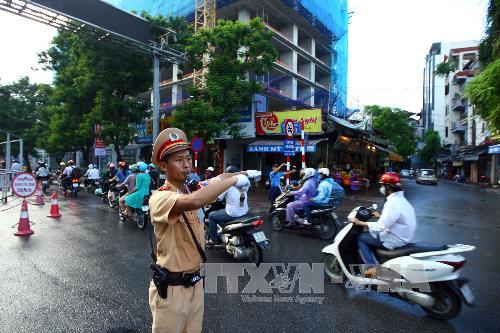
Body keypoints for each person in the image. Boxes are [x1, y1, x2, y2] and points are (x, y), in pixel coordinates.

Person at [148, 128, 251, 333]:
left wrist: (242, 174)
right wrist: (233, 182)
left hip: (196, 284)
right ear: (163, 166)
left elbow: (218, 179)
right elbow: (195, 201)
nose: (187, 165)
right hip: (172, 289)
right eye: (179, 160)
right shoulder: (160, 198)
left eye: (188, 158)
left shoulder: (192, 188)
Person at [349, 172, 417, 277]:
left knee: (361, 237)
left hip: (395, 239)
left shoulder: (393, 202)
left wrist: (361, 223)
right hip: (403, 236)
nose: (381, 188)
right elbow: (396, 218)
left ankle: (372, 268)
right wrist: (380, 216)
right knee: (370, 232)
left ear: (387, 187)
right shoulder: (401, 200)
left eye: (382, 185)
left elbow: (381, 226)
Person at [206, 165, 250, 246]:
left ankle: (213, 239)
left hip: (233, 213)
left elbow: (218, 199)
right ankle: (225, 229)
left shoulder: (227, 185)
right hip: (244, 212)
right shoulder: (244, 183)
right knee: (220, 213)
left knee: (211, 216)